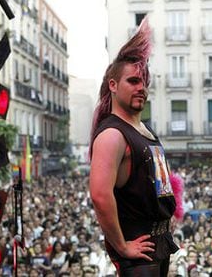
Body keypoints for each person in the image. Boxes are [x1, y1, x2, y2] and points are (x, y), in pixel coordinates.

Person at [89, 16, 179, 276]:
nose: (142, 88)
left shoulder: (145, 129)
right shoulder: (112, 134)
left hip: (157, 246)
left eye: (144, 82)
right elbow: (100, 195)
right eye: (133, 81)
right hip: (138, 253)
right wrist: (121, 246)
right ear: (113, 86)